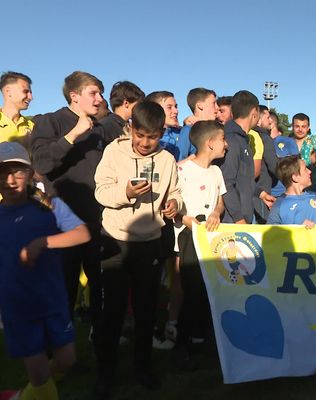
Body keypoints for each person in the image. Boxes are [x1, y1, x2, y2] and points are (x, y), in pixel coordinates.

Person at [93, 100, 182, 397]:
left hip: (149, 243)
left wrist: (174, 204)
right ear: (131, 128)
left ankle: (142, 368)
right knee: (113, 310)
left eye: (153, 137)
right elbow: (101, 191)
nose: (145, 143)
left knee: (146, 310)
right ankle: (106, 372)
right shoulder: (113, 151)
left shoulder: (168, 160)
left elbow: (177, 192)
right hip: (115, 240)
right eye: (140, 135)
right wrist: (126, 193)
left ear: (162, 133)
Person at [0, 141, 91, 400]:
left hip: (53, 299)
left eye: (18, 171)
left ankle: (23, 396)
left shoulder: (49, 206)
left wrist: (43, 242)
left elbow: (82, 234)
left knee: (66, 360)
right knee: (39, 374)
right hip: (17, 305)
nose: (10, 179)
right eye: (3, 172)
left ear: (30, 174)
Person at [30, 71, 106, 330]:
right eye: (93, 93)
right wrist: (72, 135)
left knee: (99, 285)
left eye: (100, 93)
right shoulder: (52, 122)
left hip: (97, 220)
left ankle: (101, 341)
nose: (99, 99)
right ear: (74, 96)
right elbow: (41, 163)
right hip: (63, 221)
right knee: (64, 286)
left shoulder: (99, 130)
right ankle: (57, 350)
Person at [172, 120, 227, 367]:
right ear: (210, 143)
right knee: (191, 289)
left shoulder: (216, 172)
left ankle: (203, 339)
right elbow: (170, 206)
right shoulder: (181, 170)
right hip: (188, 236)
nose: (226, 145)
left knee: (209, 289)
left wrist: (216, 213)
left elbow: (220, 202)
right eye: (223, 139)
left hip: (210, 236)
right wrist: (186, 219)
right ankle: (181, 344)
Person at [220, 90, 260, 224]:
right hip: (232, 221)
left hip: (242, 217)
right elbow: (226, 182)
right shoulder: (232, 140)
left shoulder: (243, 140)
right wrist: (238, 218)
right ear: (254, 112)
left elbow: (243, 180)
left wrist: (261, 193)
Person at [267, 155, 316, 227]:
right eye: (305, 169)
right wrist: (298, 229)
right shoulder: (279, 206)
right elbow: (272, 234)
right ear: (295, 177)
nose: (310, 171)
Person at [176, 87, 218, 159]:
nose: (217, 107)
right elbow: (178, 162)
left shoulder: (217, 130)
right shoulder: (188, 131)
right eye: (213, 103)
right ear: (200, 105)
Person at [146, 91, 184, 160]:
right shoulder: (146, 137)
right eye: (169, 107)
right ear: (155, 110)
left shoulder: (183, 132)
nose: (176, 111)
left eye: (176, 106)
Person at [0, 72, 34, 145]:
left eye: (31, 93)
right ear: (8, 91)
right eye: (25, 91)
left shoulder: (31, 126)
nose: (31, 97)